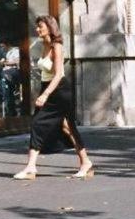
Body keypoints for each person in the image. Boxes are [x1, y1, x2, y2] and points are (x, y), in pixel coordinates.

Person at [13, 15, 93, 180]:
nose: (37, 30)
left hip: (59, 91)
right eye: (37, 27)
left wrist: (45, 94)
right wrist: (42, 91)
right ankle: (85, 162)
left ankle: (31, 167)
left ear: (49, 27)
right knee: (66, 127)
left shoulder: (57, 47)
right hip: (48, 88)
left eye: (40, 26)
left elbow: (58, 75)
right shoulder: (44, 45)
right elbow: (45, 74)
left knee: (41, 123)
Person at [0, 40, 21, 116]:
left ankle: (11, 110)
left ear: (7, 44)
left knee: (8, 92)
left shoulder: (15, 51)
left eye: (2, 46)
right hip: (7, 73)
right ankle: (10, 111)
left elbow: (17, 61)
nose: (2, 48)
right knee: (8, 93)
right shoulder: (7, 52)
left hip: (12, 73)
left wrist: (4, 63)